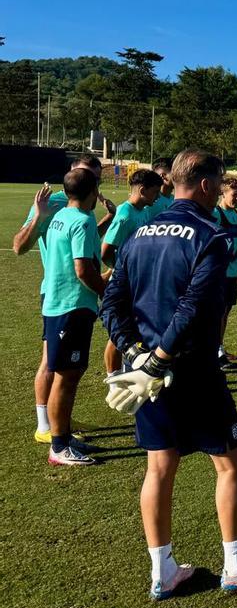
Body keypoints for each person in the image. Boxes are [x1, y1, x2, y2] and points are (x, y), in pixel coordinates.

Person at [101, 150, 237, 599]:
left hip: (145, 371)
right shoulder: (210, 233)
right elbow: (195, 306)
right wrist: (160, 359)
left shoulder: (141, 231)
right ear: (206, 185)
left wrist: (136, 355)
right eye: (221, 181)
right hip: (192, 371)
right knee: (232, 460)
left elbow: (111, 302)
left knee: (159, 465)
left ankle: (162, 571)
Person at [12, 153, 114, 445]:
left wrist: (108, 218)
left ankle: (59, 421)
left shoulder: (80, 210)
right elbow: (19, 247)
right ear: (72, 174)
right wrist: (39, 216)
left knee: (62, 367)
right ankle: (46, 425)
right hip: (60, 291)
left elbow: (81, 244)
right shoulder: (54, 203)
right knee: (52, 363)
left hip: (73, 291)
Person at [39, 168, 109, 465]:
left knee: (68, 374)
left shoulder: (60, 217)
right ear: (93, 190)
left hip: (58, 304)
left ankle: (64, 438)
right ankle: (58, 446)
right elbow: (83, 269)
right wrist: (106, 286)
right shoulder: (81, 221)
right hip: (72, 307)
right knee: (66, 377)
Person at [100, 169, 164, 373]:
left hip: (138, 280)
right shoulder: (125, 214)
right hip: (124, 281)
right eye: (155, 192)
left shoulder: (143, 210)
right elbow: (106, 250)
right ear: (143, 190)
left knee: (134, 328)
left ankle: (131, 370)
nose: (158, 196)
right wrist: (117, 269)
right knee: (119, 333)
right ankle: (113, 377)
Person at [212, 177, 237, 370]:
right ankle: (215, 351)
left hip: (234, 272)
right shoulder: (216, 215)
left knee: (225, 312)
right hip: (218, 274)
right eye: (234, 195)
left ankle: (218, 347)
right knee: (217, 312)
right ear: (223, 193)